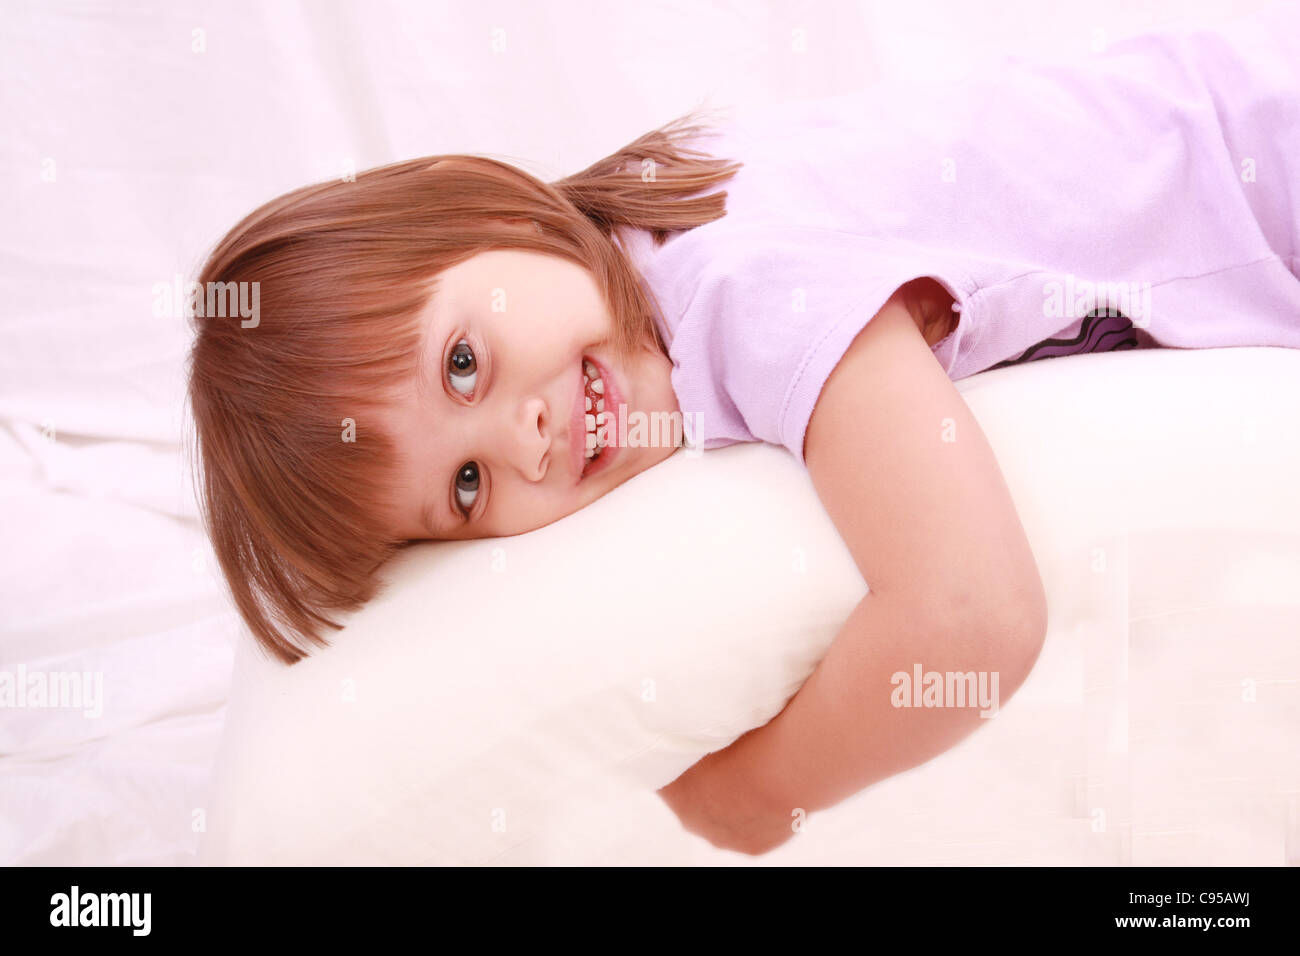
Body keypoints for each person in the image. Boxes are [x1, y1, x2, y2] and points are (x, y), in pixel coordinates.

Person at [186, 3, 1300, 853]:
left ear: (475, 210)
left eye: (462, 362)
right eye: (468, 487)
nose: (522, 438)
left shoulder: (741, 287)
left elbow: (973, 617)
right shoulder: (655, 232)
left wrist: (759, 791)